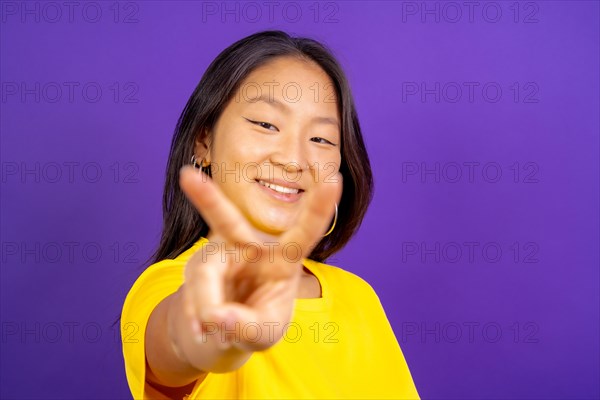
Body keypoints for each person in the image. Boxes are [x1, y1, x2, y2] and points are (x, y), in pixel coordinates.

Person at [121, 30, 420, 400]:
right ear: (204, 142)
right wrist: (210, 326)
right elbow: (179, 343)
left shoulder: (359, 298)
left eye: (321, 139)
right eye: (266, 124)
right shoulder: (168, 286)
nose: (293, 160)